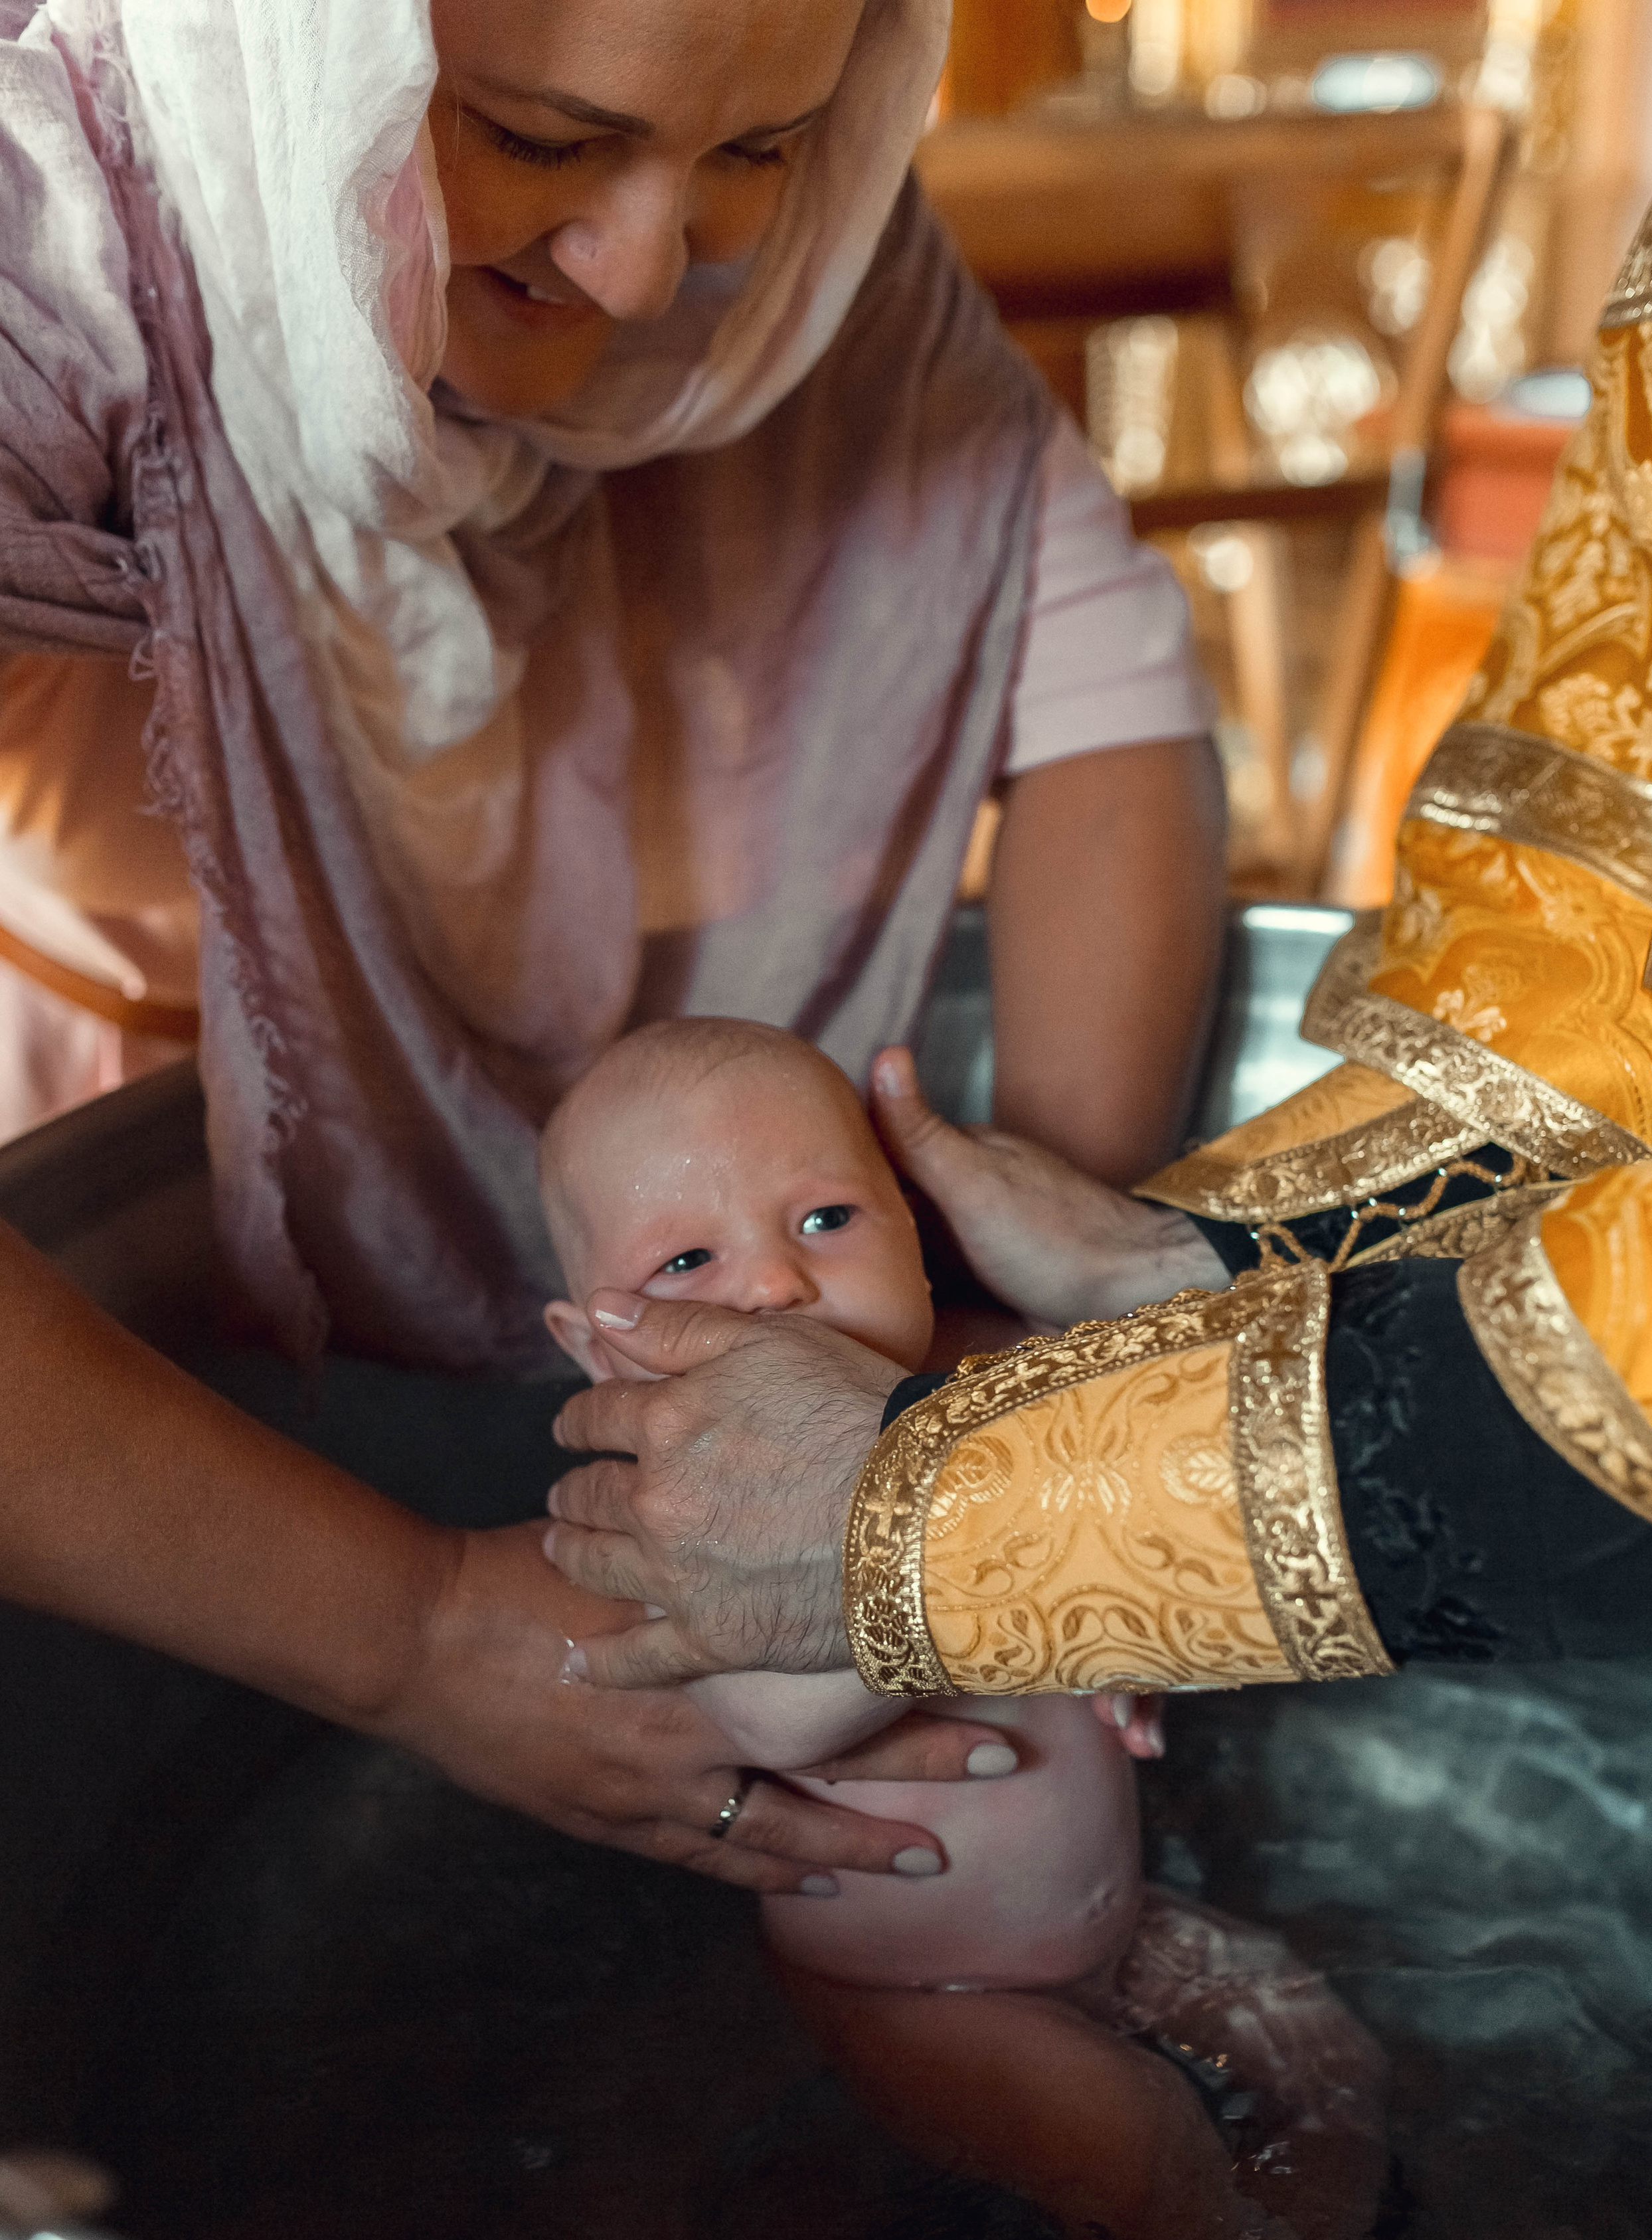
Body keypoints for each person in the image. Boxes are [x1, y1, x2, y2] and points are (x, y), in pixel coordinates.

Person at [0, 0, 1223, 1866]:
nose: (654, 269)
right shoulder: (48, 239)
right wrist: (413, 1634)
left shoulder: (811, 266)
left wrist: (994, 1357)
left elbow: (1104, 702)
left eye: (753, 150)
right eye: (537, 135)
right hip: (136, 1208)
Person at [541, 65, 1652, 1721]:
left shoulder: (897, 1440)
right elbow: (1609, 910)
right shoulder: (717, 1500)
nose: (782, 1286)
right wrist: (1191, 1263)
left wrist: (981, 1531)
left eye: (821, 1217)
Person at [537, 1015, 1527, 2240]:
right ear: (591, 1342)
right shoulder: (668, 1510)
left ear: (912, 1224)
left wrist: (1105, 1593)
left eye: (826, 1216)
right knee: (1129, 2139)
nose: (771, 1279)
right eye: (685, 1263)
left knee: (1318, 2053)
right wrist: (990, 1564)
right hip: (923, 1998)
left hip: (1112, 1933)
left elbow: (1140, 1492)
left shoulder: (986, 1378)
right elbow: (772, 1721)